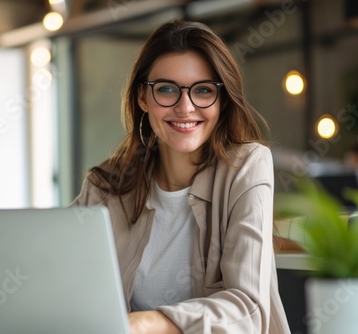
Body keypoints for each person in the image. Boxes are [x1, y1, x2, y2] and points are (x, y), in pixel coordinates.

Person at [72, 19, 290, 333]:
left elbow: (248, 309)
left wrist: (144, 323)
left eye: (203, 91)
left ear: (222, 100)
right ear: (142, 98)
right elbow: (60, 280)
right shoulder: (105, 186)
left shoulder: (246, 166)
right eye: (166, 89)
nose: (185, 107)